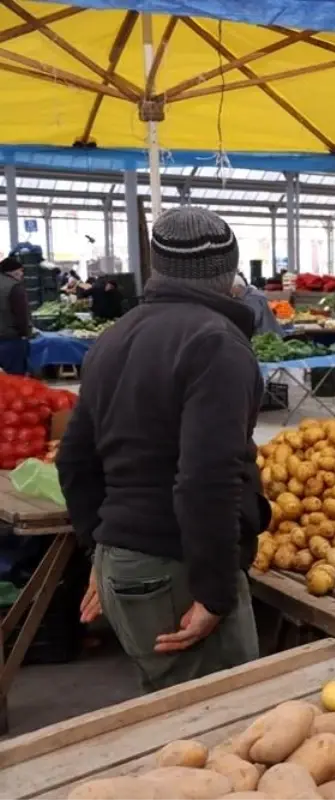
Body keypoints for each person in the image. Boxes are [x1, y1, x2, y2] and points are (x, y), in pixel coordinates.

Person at [58, 206, 267, 691]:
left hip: (128, 560)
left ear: (158, 267)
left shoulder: (113, 338)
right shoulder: (217, 343)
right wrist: (214, 593)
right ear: (227, 271)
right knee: (218, 718)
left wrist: (102, 548)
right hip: (178, 564)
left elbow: (75, 461)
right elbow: (205, 480)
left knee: (171, 712)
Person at [0, 255, 32, 374]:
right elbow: (21, 315)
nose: (22, 274)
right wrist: (25, 333)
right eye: (21, 271)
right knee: (14, 381)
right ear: (13, 271)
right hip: (10, 341)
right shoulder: (14, 287)